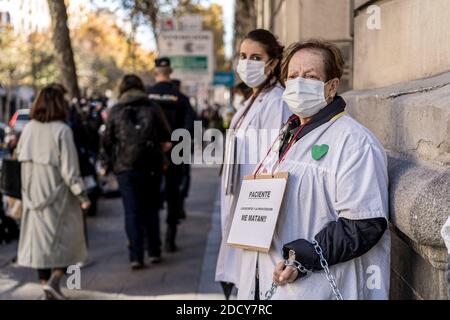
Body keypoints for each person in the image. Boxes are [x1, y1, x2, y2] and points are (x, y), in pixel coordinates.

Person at [236, 40, 390, 300]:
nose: (298, 83)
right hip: (269, 280)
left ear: (331, 86)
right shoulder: (288, 133)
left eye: (310, 76)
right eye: (293, 76)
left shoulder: (354, 141)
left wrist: (304, 256)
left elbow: (364, 224)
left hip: (319, 288)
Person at [215, 29, 291, 299]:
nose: (247, 62)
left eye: (256, 57)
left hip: (256, 209)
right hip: (239, 202)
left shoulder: (276, 101)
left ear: (272, 62)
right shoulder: (251, 100)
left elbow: (274, 162)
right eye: (243, 55)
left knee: (253, 285)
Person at [16, 85, 91, 300]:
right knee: (69, 241)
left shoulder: (28, 128)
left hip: (32, 194)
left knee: (40, 245)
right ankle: (54, 281)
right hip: (57, 195)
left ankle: (47, 287)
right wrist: (82, 196)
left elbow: (19, 157)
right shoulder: (62, 131)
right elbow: (70, 171)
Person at [102, 74, 172, 269]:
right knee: (151, 209)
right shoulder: (152, 107)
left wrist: (110, 162)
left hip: (125, 168)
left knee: (132, 212)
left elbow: (107, 141)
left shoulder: (115, 110)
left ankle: (136, 256)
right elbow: (167, 135)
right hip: (151, 166)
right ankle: (154, 251)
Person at [148, 58, 192, 252]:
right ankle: (170, 238)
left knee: (149, 196)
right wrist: (174, 143)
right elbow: (191, 127)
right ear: (170, 72)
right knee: (174, 195)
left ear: (155, 72)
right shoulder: (180, 98)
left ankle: (152, 240)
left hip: (151, 154)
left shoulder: (147, 96)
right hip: (175, 154)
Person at [172, 79, 196, 220]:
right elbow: (192, 121)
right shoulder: (183, 100)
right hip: (181, 147)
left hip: (162, 148)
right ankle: (179, 204)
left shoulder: (154, 97)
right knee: (183, 176)